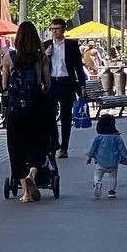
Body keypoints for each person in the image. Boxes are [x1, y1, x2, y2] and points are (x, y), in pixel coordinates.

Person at [2, 20, 53, 203]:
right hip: (37, 109)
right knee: (38, 144)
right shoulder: (41, 58)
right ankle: (33, 174)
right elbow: (47, 84)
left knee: (16, 149)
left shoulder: (9, 56)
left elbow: (4, 85)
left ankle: (25, 192)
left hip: (16, 111)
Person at [44, 17, 88, 158]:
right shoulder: (46, 45)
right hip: (51, 82)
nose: (54, 32)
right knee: (49, 115)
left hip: (66, 82)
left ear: (63, 29)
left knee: (66, 116)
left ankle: (64, 147)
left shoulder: (71, 45)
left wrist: (82, 85)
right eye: (52, 29)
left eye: (57, 29)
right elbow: (40, 66)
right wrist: (45, 56)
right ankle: (54, 141)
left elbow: (78, 67)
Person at [86, 114, 127, 199]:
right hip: (113, 162)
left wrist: (89, 157)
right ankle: (111, 192)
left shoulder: (98, 138)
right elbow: (122, 148)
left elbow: (93, 148)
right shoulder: (117, 138)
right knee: (113, 177)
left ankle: (97, 183)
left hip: (100, 162)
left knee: (97, 175)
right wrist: (126, 157)